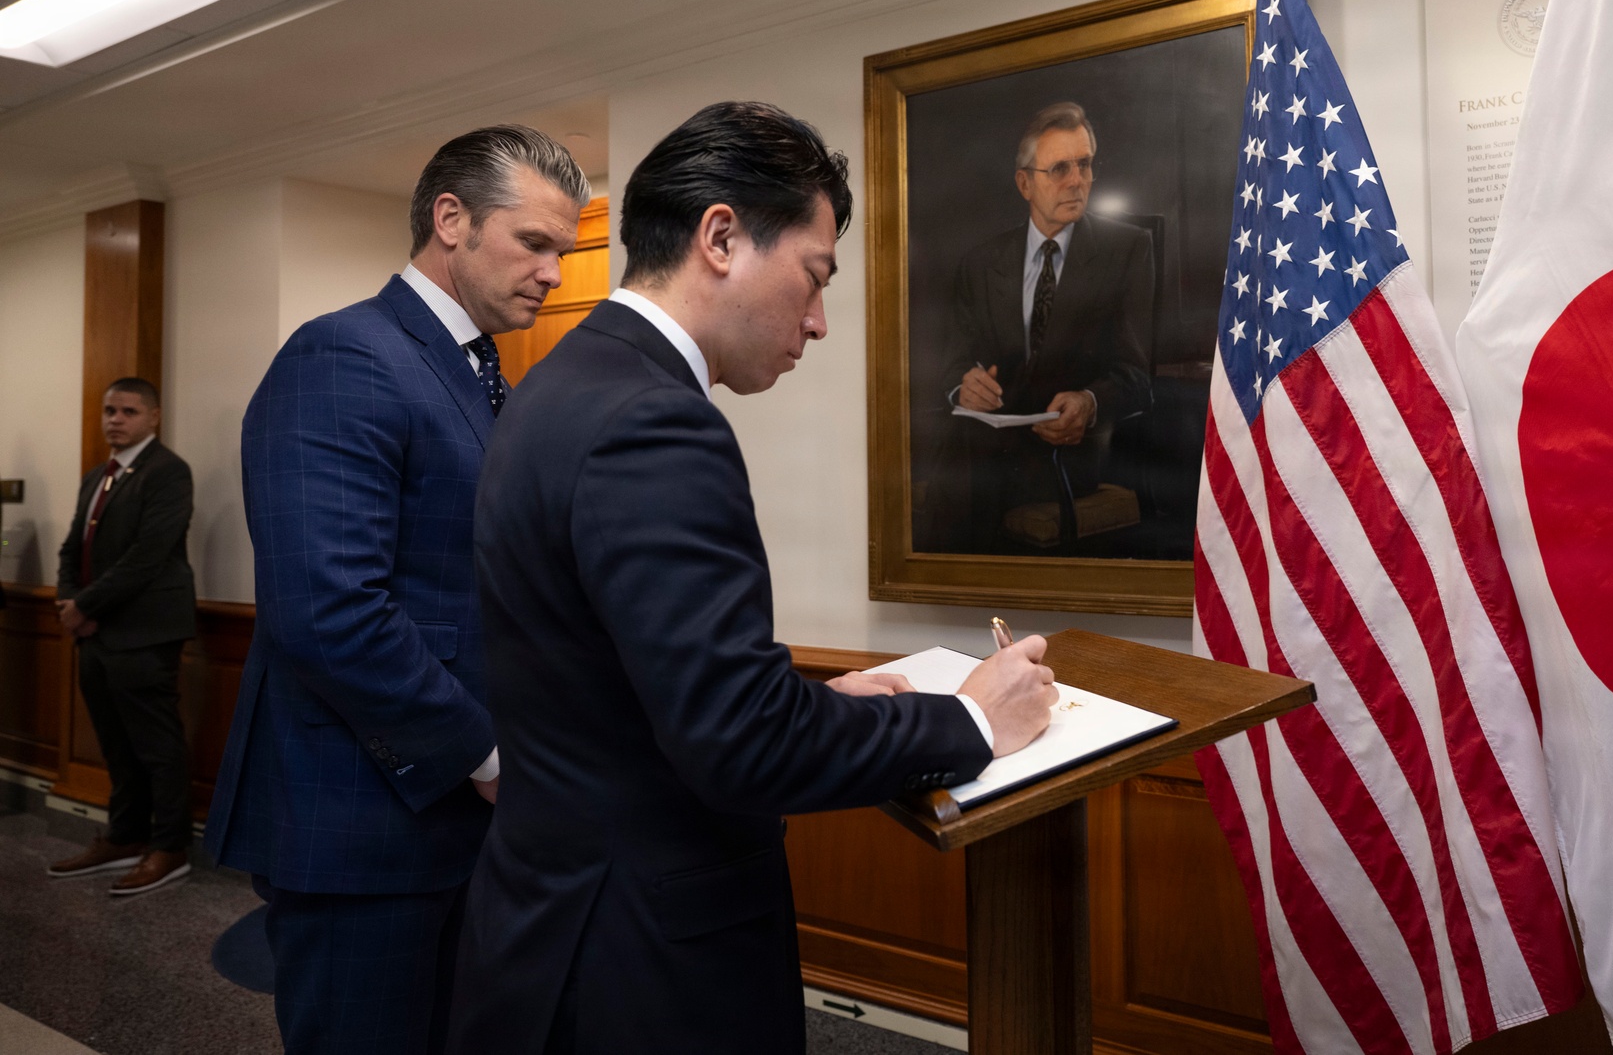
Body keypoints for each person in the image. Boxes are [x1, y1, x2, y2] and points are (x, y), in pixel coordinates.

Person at [448, 101, 1057, 1055]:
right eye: (814, 276)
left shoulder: (559, 386)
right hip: (640, 962)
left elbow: (633, 686)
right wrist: (972, 721)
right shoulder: (654, 421)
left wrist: (817, 704)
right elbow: (741, 741)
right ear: (721, 237)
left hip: (554, 917)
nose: (818, 322)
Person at [204, 125, 590, 1055]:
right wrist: (488, 758)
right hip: (366, 824)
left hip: (457, 822)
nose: (552, 273)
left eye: (561, 251)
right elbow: (330, 611)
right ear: (451, 219)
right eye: (533, 243)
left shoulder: (480, 372)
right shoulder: (344, 355)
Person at [929, 101, 1154, 552]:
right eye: (1059, 169)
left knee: (960, 487)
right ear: (1024, 183)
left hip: (1070, 456)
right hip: (987, 452)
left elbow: (1137, 377)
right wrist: (962, 388)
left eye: (1084, 165)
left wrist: (1089, 403)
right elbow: (953, 363)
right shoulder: (981, 263)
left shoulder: (1127, 251)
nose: (1076, 180)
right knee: (955, 472)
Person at [46, 377, 197, 896]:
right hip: (95, 632)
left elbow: (147, 557)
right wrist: (69, 603)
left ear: (153, 417)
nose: (115, 419)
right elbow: (72, 548)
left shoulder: (168, 471)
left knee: (157, 747)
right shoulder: (97, 476)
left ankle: (170, 847)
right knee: (116, 744)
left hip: (144, 632)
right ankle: (125, 836)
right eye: (110, 410)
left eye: (129, 411)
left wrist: (85, 607)